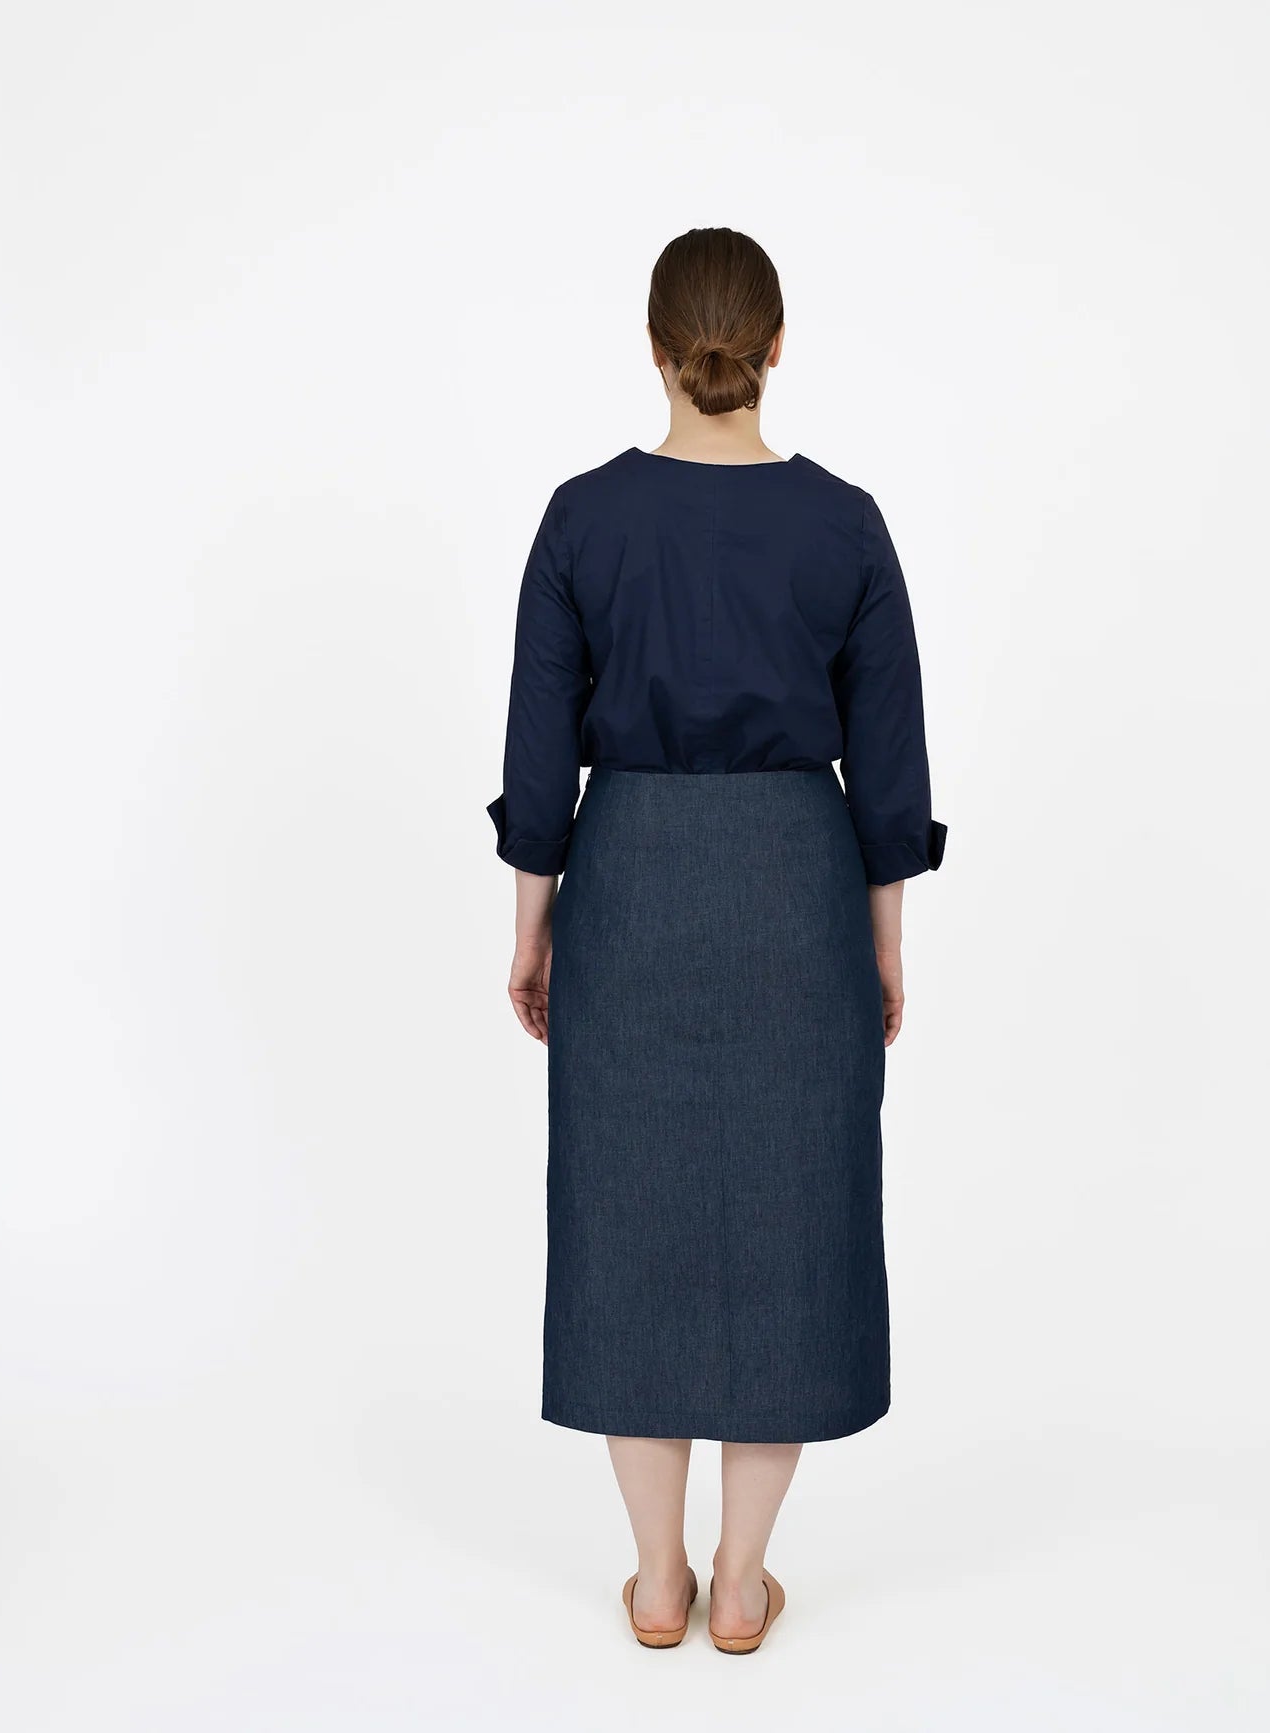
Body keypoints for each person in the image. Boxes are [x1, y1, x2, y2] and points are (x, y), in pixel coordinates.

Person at [486, 227, 946, 1654]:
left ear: (655, 349)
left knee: (627, 1223)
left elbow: (538, 753)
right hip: (799, 886)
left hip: (628, 880)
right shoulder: (846, 525)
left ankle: (657, 1579)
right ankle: (744, 1580)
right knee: (793, 1220)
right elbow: (891, 765)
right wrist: (882, 940)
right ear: (777, 346)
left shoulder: (583, 518)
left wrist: (534, 927)